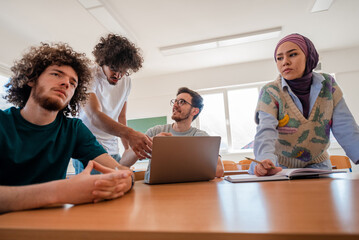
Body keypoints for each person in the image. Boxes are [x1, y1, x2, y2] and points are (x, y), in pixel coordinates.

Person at [0, 43, 133, 213]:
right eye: (56, 74)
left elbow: (119, 170)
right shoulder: (3, 122)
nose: (66, 84)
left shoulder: (74, 129)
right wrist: (60, 191)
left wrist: (125, 180)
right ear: (32, 78)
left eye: (73, 83)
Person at [249, 33, 359, 176]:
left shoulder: (328, 85)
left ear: (309, 56)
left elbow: (345, 127)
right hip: (279, 168)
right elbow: (265, 131)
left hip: (319, 167)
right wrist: (265, 160)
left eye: (292, 55)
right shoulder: (270, 91)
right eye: (279, 58)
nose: (285, 62)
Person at [72, 34, 152, 175]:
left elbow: (121, 116)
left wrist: (127, 149)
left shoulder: (126, 81)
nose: (118, 75)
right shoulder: (88, 75)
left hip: (113, 149)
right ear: (103, 61)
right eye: (114, 68)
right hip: (88, 148)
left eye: (123, 71)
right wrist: (130, 134)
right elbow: (95, 116)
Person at [120, 87, 224, 178]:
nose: (175, 105)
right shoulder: (155, 131)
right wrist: (150, 141)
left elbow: (219, 170)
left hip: (187, 191)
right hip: (154, 192)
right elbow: (123, 162)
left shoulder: (201, 137)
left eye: (182, 102)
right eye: (175, 101)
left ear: (194, 111)